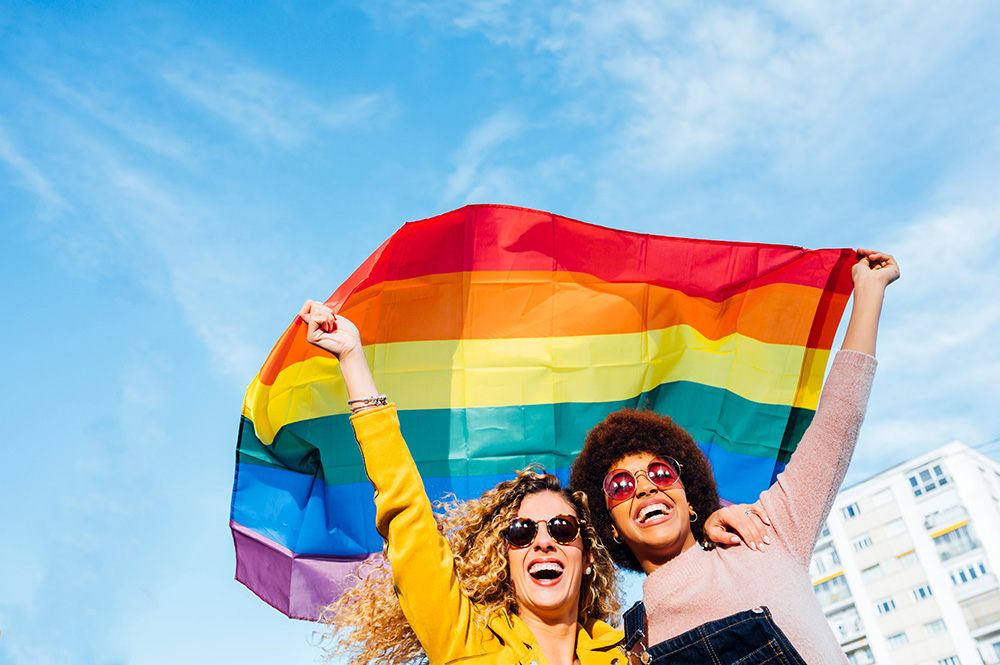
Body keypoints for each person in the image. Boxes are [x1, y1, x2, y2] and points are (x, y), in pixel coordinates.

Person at [298, 301, 769, 665]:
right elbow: (408, 517)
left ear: (586, 558)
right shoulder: (466, 643)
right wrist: (353, 360)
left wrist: (706, 529)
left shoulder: (636, 650)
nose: (544, 542)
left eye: (563, 530)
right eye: (522, 533)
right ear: (503, 560)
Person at [569, 250, 899, 665]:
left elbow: (839, 420)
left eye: (660, 471)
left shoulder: (766, 535)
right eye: (621, 485)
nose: (646, 486)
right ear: (610, 526)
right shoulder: (627, 649)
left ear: (690, 498)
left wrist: (869, 291)